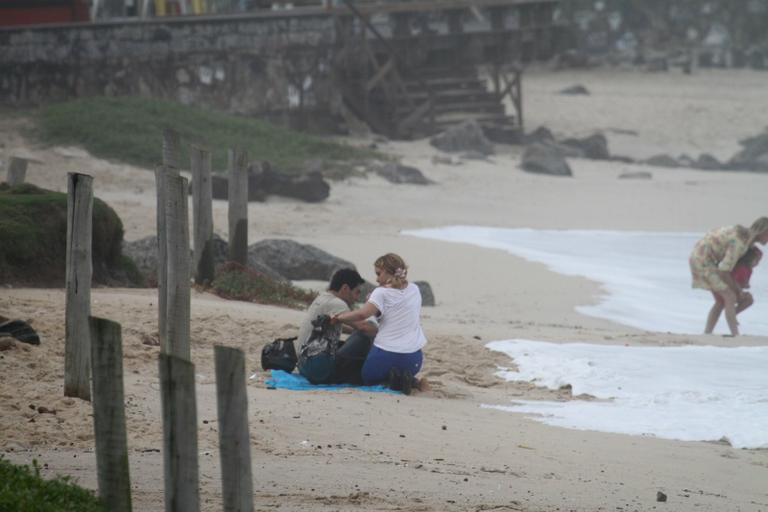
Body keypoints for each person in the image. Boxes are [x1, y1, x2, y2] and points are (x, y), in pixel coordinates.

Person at [332, 253, 426, 394]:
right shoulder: (414, 289)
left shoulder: (380, 293)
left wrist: (339, 317)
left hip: (385, 354)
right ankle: (409, 381)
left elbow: (362, 314)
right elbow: (396, 311)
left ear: (389, 272)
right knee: (400, 369)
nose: (376, 279)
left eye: (379, 273)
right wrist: (376, 306)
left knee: (367, 379)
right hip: (413, 358)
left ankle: (390, 381)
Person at [296, 268, 377, 384]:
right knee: (363, 337)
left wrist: (354, 330)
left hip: (304, 365)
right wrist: (385, 332)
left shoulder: (322, 298)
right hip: (317, 370)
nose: (357, 298)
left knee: (358, 333)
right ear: (345, 288)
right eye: (357, 292)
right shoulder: (337, 303)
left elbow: (333, 325)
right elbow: (363, 327)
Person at [690, 217, 768, 336]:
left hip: (701, 257)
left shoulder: (743, 235)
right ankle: (735, 335)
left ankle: (707, 334)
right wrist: (738, 291)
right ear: (764, 231)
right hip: (703, 261)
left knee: (721, 301)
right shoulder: (740, 243)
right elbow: (724, 271)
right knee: (729, 296)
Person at [705, 246, 762, 334]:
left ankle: (732, 314)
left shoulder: (749, 270)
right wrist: (740, 291)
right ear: (749, 259)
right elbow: (733, 281)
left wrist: (745, 286)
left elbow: (743, 283)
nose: (757, 263)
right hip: (724, 287)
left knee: (749, 300)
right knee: (719, 304)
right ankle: (732, 329)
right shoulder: (741, 268)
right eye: (756, 261)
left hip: (734, 289)